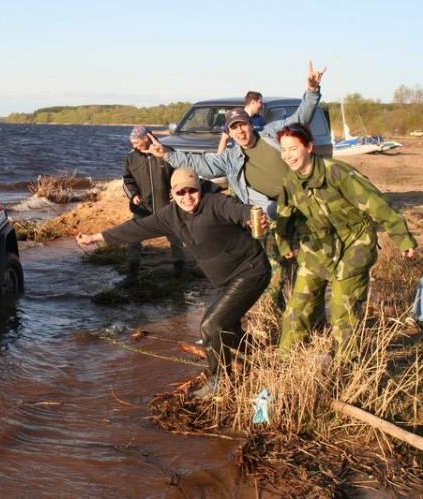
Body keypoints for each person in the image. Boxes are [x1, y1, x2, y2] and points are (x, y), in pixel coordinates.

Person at [147, 61, 327, 310]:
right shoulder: (231, 158)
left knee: (313, 260)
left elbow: (301, 116)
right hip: (270, 213)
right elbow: (201, 165)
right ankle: (279, 312)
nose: (240, 131)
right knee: (277, 264)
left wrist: (312, 89)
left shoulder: (273, 133)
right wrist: (167, 153)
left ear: (249, 124)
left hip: (302, 204)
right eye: (233, 128)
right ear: (229, 133)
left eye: (242, 124)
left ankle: (311, 308)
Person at [77, 168, 270, 398]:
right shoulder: (171, 216)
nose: (187, 197)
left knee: (210, 326)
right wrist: (96, 237)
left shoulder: (215, 202)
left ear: (199, 189)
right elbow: (136, 229)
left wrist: (252, 218)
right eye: (181, 192)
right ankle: (260, 358)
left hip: (250, 271)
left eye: (192, 191)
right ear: (172, 194)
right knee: (227, 327)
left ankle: (222, 380)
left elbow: (239, 210)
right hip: (226, 281)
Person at [274, 123, 417, 355]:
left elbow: (376, 204)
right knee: (298, 305)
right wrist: (283, 244)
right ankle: (285, 360)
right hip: (319, 244)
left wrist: (403, 238)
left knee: (343, 307)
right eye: (283, 150)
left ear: (309, 147)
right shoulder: (290, 181)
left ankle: (347, 364)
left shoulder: (336, 172)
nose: (288, 156)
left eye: (293, 148)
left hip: (355, 241)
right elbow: (284, 215)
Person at [121, 126, 186, 286]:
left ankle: (180, 272)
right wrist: (134, 195)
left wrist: (176, 193)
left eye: (137, 142)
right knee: (134, 238)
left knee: (176, 238)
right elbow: (127, 179)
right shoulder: (131, 157)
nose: (134, 146)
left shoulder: (167, 152)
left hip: (167, 205)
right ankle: (132, 273)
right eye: (132, 143)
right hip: (143, 207)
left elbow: (181, 174)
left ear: (147, 138)